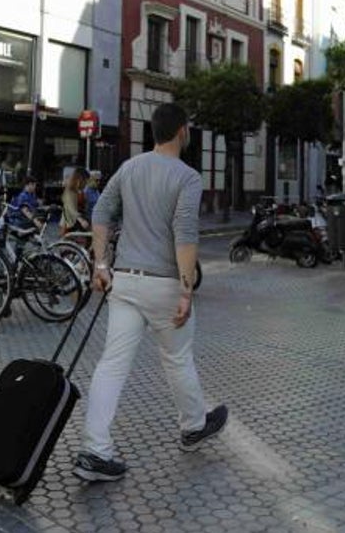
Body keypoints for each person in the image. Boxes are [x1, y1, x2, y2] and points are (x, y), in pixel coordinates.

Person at [74, 102, 227, 482]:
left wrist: (100, 265)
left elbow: (100, 213)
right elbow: (185, 233)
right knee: (177, 357)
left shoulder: (129, 168)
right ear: (182, 132)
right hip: (163, 285)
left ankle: (95, 450)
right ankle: (193, 426)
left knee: (112, 364)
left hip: (124, 281)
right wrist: (187, 289)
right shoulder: (188, 177)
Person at [60, 168, 91, 237]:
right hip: (69, 223)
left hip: (79, 222)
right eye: (85, 181)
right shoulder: (69, 191)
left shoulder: (80, 191)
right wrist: (81, 220)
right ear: (80, 179)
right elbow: (71, 209)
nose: (86, 184)